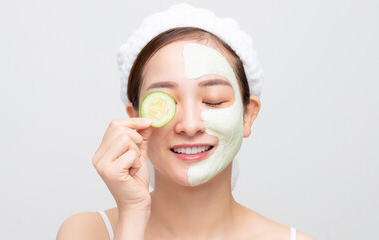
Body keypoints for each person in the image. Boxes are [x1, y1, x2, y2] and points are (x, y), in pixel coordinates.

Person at [57, 4, 315, 240]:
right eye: (165, 102)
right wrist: (133, 215)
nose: (190, 125)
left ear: (247, 115)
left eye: (213, 100)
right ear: (135, 119)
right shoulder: (86, 232)